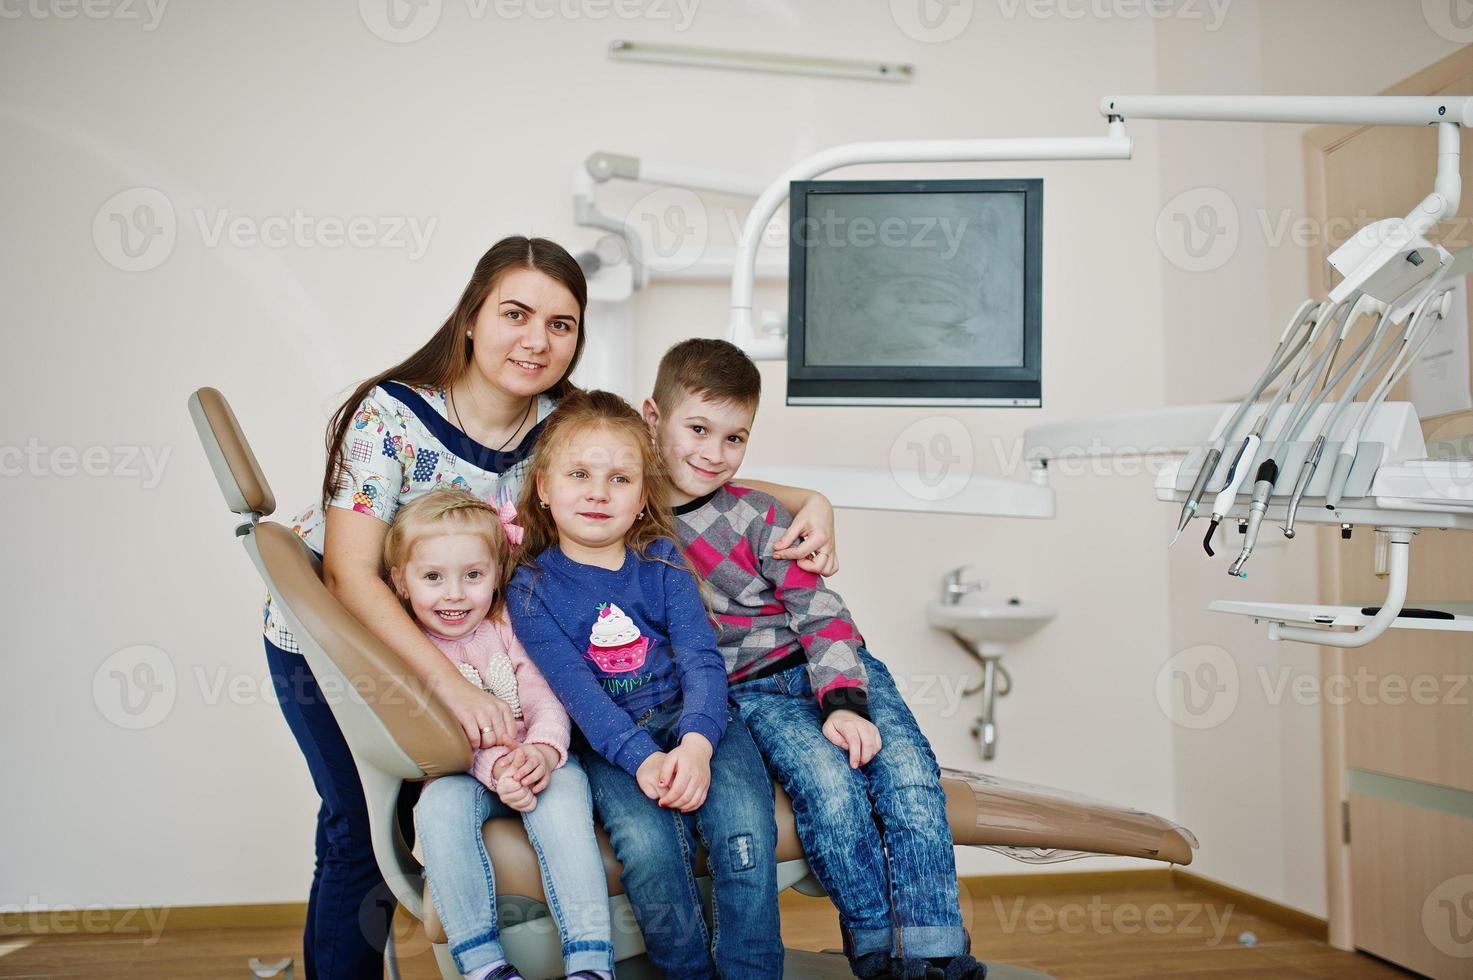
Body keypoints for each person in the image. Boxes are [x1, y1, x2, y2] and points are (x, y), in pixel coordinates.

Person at [259, 235, 836, 978]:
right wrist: (450, 689)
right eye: (515, 313)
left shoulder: (565, 427)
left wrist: (808, 501)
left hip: (487, 650)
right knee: (362, 832)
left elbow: (672, 469)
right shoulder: (389, 418)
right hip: (345, 639)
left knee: (456, 801)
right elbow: (350, 574)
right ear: (471, 317)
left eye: (560, 324)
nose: (537, 340)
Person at [643, 339, 988, 980]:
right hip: (754, 695)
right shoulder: (630, 527)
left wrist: (844, 702)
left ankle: (938, 954)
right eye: (697, 429)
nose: (713, 454)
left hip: (835, 667)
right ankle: (878, 952)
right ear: (651, 418)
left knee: (910, 782)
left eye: (734, 438)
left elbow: (820, 614)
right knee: (831, 793)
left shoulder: (759, 515)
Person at [505, 389, 784, 979]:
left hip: (701, 721)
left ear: (641, 499)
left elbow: (702, 662)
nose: (598, 492)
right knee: (650, 852)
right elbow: (578, 694)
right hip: (612, 743)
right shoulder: (531, 590)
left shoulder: (661, 560)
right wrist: (640, 761)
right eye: (579, 473)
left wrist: (697, 745)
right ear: (544, 489)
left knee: (743, 836)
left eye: (620, 478)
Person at [385, 486, 612, 980]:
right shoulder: (407, 652)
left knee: (567, 790)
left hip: (534, 757)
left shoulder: (509, 623)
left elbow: (543, 694)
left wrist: (545, 752)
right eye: (432, 577)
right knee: (437, 806)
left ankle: (591, 962)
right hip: (462, 772)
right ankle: (481, 964)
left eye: (472, 575)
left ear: (497, 572)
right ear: (401, 581)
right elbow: (434, 735)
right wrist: (493, 766)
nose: (454, 594)